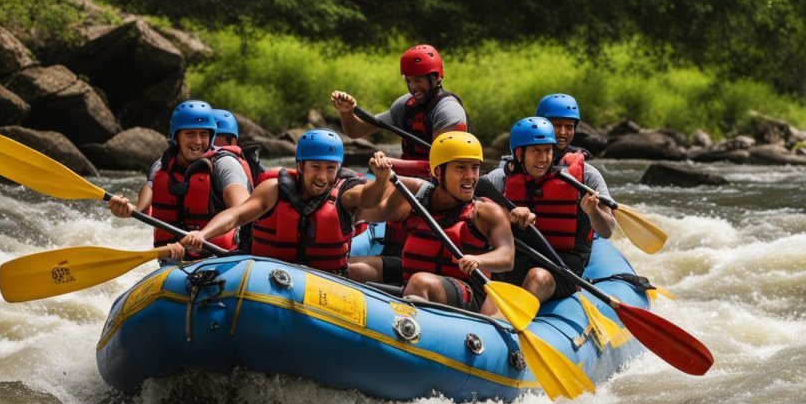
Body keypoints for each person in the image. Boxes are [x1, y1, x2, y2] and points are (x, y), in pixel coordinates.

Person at [176, 130, 393, 281]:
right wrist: (204, 234)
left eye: (330, 168)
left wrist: (382, 179)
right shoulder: (274, 189)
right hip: (268, 278)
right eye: (315, 166)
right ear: (300, 166)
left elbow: (369, 198)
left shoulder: (344, 193)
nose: (322, 176)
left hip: (325, 284)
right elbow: (236, 215)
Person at [358, 132, 515, 315]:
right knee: (356, 268)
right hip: (411, 276)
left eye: (475, 168)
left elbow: (507, 257)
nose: (471, 176)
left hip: (465, 291)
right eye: (461, 168)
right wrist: (381, 179)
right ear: (439, 172)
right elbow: (367, 213)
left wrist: (478, 260)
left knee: (420, 282)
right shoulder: (414, 197)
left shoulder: (486, 212)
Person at [483, 116, 617, 304]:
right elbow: (474, 213)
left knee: (538, 277)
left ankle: (511, 326)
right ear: (519, 154)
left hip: (562, 267)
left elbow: (607, 231)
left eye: (547, 150)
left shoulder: (583, 178)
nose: (543, 158)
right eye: (536, 151)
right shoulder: (499, 179)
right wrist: (507, 215)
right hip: (517, 260)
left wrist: (592, 211)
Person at [107, 100, 251, 258]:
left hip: (222, 258)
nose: (197, 141)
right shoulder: (162, 165)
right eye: (190, 133)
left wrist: (203, 234)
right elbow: (142, 209)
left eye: (203, 134)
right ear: (176, 136)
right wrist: (127, 210)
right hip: (174, 260)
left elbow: (241, 210)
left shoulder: (224, 164)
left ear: (211, 136)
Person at [329, 44, 469, 161]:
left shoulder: (449, 111)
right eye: (408, 81)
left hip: (443, 184)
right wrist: (346, 112)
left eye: (418, 80)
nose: (413, 87)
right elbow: (358, 131)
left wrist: (392, 163)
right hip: (412, 179)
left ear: (435, 79)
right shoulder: (406, 105)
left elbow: (444, 163)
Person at [536, 93, 583, 161]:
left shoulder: (579, 157)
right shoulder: (524, 156)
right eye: (556, 125)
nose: (562, 132)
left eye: (569, 127)